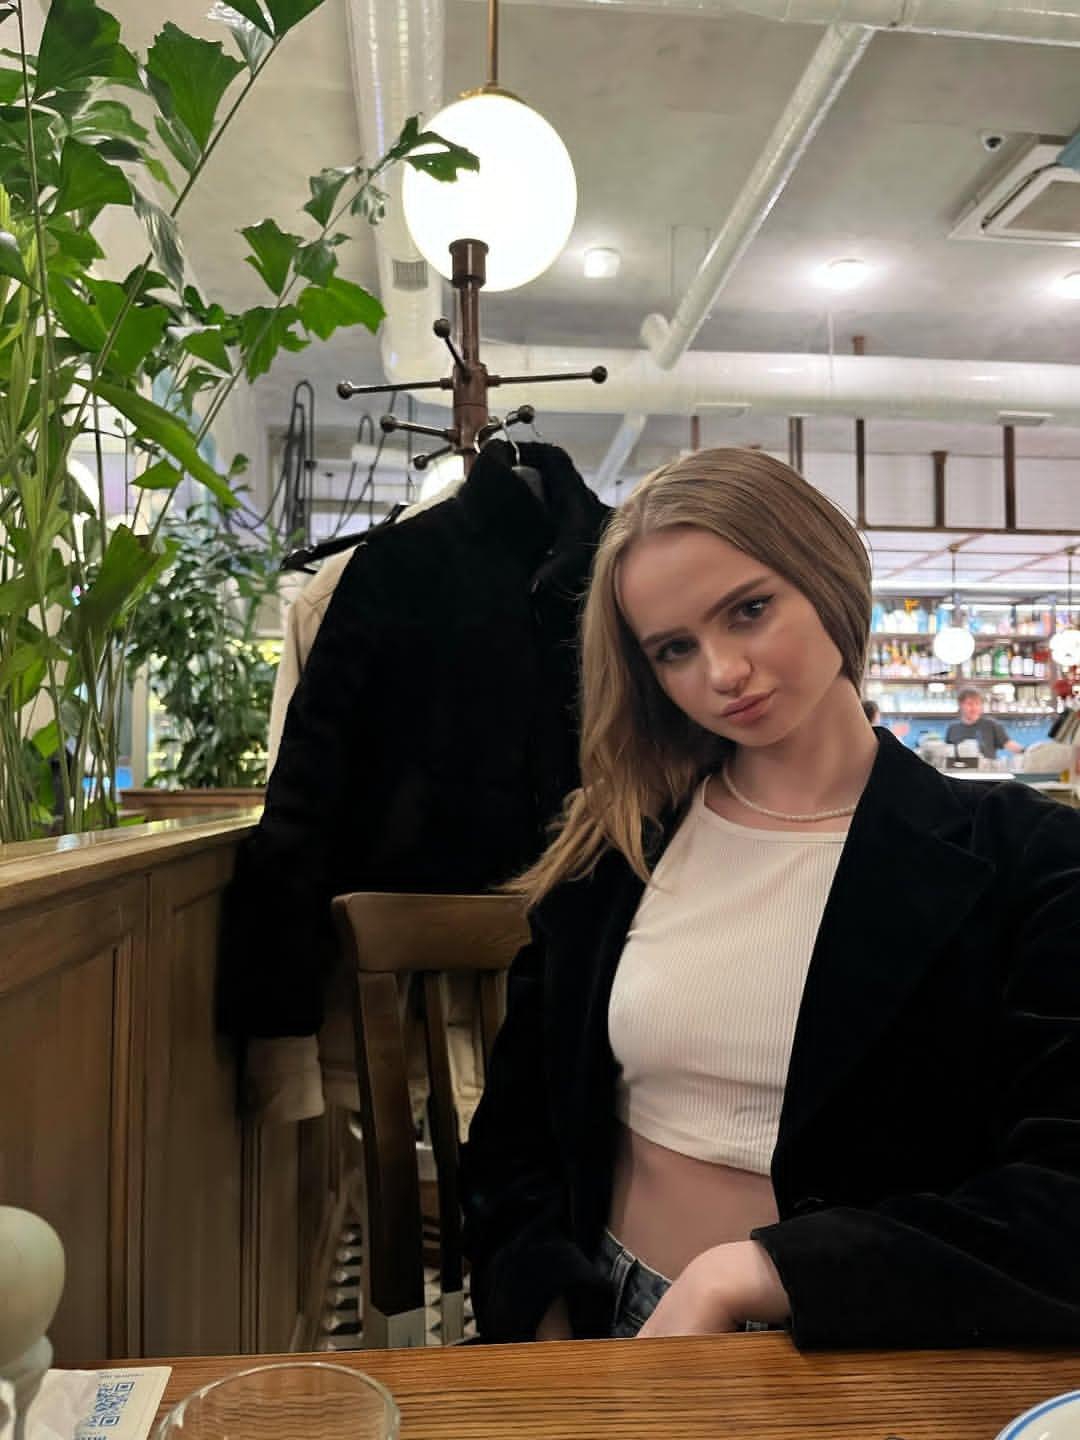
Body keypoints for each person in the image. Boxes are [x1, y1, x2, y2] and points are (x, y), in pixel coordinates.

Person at [460, 447, 1080, 1350]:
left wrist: (755, 1272)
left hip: (874, 1339)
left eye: (748, 611)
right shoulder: (619, 844)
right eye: (675, 649)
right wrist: (544, 1310)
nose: (722, 672)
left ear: (826, 577)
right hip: (607, 1315)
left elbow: (1063, 1187)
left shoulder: (1029, 857)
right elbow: (519, 1127)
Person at [945, 686, 1022, 760]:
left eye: (977, 704)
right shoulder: (952, 728)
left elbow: (1009, 744)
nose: (974, 708)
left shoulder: (991, 725)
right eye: (970, 704)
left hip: (987, 768)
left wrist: (1025, 752)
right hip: (959, 768)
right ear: (960, 705)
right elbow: (947, 753)